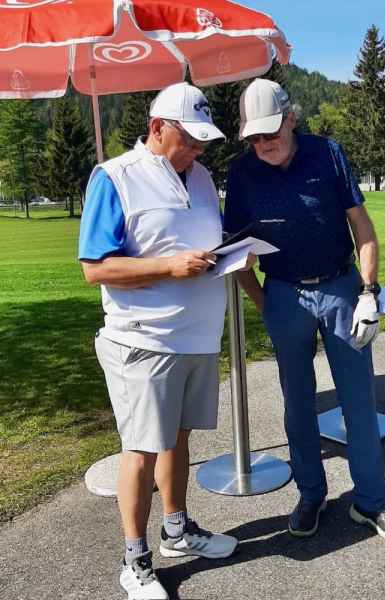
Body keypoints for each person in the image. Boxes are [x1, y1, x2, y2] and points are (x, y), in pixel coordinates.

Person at [224, 78, 385, 546]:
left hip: (341, 288)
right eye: (254, 137)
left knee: (358, 402)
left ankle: (370, 502)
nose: (263, 144)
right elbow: (235, 252)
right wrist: (264, 301)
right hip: (283, 294)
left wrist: (369, 292)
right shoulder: (242, 171)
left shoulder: (327, 153)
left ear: (291, 119)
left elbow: (362, 228)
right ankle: (311, 494)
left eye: (271, 133)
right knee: (298, 405)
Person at [79, 82, 240, 600]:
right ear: (157, 128)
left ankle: (177, 529)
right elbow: (95, 268)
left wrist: (232, 254)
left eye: (202, 141)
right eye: (189, 139)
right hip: (143, 341)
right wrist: (168, 267)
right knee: (142, 449)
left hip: (197, 338)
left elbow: (204, 240)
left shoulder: (201, 176)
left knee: (179, 438)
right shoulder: (115, 177)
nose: (197, 149)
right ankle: (135, 559)